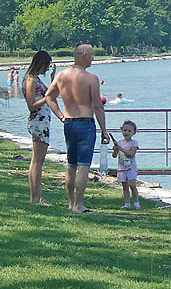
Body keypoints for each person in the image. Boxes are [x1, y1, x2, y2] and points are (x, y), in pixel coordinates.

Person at [43, 43, 109, 213]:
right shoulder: (91, 78)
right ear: (84, 55)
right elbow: (98, 106)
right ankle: (79, 204)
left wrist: (61, 116)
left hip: (69, 123)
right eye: (92, 54)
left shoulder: (62, 75)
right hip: (85, 123)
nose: (94, 58)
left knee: (71, 164)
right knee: (83, 165)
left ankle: (71, 203)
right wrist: (104, 130)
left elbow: (49, 96)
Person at [24, 51, 54, 205]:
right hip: (38, 122)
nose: (47, 69)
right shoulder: (31, 80)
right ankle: (36, 198)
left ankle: (35, 197)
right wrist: (47, 98)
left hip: (42, 122)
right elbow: (31, 105)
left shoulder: (36, 79)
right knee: (37, 161)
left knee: (37, 161)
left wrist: (52, 82)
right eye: (47, 65)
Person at [112, 120, 140, 209]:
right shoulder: (119, 143)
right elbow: (114, 156)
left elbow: (132, 153)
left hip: (131, 168)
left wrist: (121, 149)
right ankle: (127, 204)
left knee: (132, 185)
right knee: (125, 187)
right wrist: (116, 149)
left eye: (129, 131)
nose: (126, 132)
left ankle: (136, 203)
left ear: (134, 132)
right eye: (125, 130)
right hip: (121, 168)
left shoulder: (134, 143)